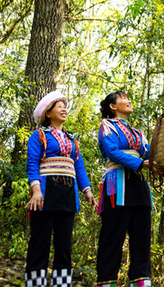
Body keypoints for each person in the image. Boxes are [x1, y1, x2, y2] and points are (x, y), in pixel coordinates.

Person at [25, 90, 96, 287]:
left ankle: (61, 285)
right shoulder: (39, 135)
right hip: (45, 193)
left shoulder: (72, 140)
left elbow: (78, 167)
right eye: (59, 106)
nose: (64, 109)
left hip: (67, 195)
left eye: (65, 106)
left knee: (64, 246)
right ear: (48, 113)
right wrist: (36, 190)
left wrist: (87, 191)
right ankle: (34, 284)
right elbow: (32, 163)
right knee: (40, 242)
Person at [95, 91, 154, 287]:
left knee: (142, 240)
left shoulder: (138, 132)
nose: (129, 101)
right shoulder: (107, 126)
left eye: (129, 98)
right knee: (112, 238)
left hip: (139, 185)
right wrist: (141, 163)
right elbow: (112, 152)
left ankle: (141, 282)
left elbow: (148, 154)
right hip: (117, 187)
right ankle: (106, 281)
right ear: (113, 106)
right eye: (123, 98)